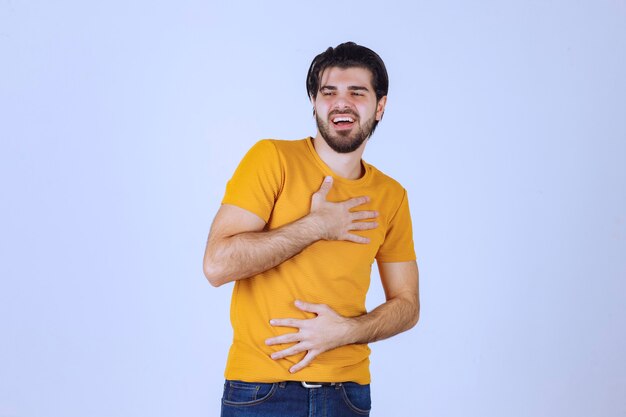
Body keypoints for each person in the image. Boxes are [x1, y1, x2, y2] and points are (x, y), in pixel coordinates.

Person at [203, 41, 420, 417]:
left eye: (357, 92)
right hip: (261, 392)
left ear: (379, 106)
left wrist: (346, 332)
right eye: (328, 92)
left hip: (347, 395)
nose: (341, 102)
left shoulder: (392, 196)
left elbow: (407, 305)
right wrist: (315, 226)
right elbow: (217, 265)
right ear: (315, 103)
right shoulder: (272, 159)